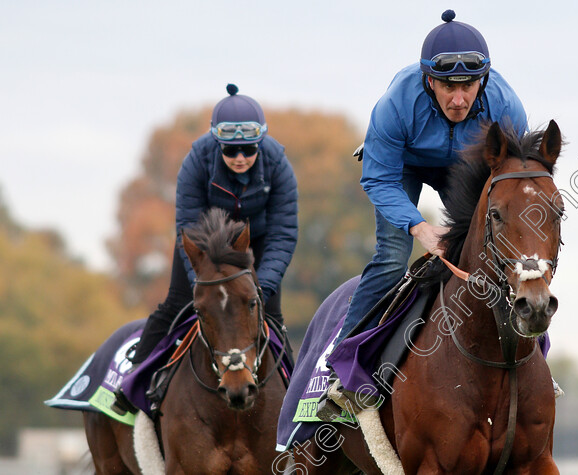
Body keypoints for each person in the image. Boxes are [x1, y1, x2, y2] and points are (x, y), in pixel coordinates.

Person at [334, 9, 528, 346]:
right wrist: (420, 227)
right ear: (429, 80)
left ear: (482, 79)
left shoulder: (507, 108)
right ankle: (344, 356)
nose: (458, 99)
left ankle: (532, 355)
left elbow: (508, 183)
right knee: (393, 258)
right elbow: (379, 179)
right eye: (447, 87)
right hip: (403, 167)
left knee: (498, 251)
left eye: (468, 86)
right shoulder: (395, 104)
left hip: (466, 167)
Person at [129, 83, 298, 366]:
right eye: (231, 151)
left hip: (255, 242)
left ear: (261, 143)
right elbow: (189, 226)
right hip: (205, 245)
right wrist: (202, 282)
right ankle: (132, 382)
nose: (240, 158)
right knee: (175, 306)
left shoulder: (279, 164)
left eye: (248, 150)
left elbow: (284, 233)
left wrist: (262, 287)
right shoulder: (196, 161)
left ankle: (293, 395)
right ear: (218, 144)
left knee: (271, 316)